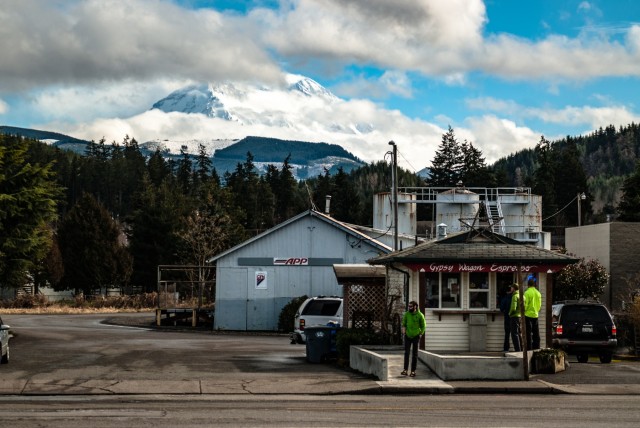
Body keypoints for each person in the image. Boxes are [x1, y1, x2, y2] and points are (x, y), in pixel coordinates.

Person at [401, 300, 426, 377]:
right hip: (407, 336)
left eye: (411, 306)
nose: (409, 307)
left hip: (416, 336)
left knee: (414, 354)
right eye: (409, 306)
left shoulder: (420, 315)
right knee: (407, 353)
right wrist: (404, 332)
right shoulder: (407, 314)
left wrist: (421, 334)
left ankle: (413, 371)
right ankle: (405, 370)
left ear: (415, 306)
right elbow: (403, 324)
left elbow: (423, 325)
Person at [524, 278, 542, 349]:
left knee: (528, 333)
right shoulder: (538, 293)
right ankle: (537, 347)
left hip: (528, 315)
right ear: (534, 285)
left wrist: (524, 312)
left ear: (528, 285)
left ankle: (529, 348)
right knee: (536, 332)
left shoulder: (527, 293)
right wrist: (536, 310)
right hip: (535, 314)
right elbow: (539, 305)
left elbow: (525, 304)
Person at [508, 284, 522, 352]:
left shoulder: (514, 296)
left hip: (514, 316)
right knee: (519, 333)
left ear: (514, 288)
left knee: (514, 334)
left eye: (511, 287)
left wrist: (509, 313)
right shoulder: (522, 296)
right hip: (520, 316)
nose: (510, 289)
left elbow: (513, 308)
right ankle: (521, 349)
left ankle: (517, 350)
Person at [499, 286, 512, 352]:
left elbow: (501, 308)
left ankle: (506, 348)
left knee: (507, 334)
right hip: (516, 317)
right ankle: (519, 349)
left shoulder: (505, 298)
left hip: (507, 317)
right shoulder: (515, 297)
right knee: (517, 334)